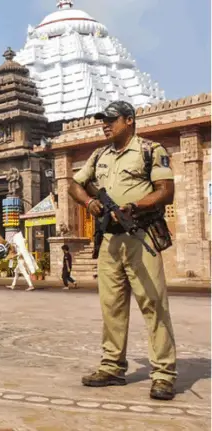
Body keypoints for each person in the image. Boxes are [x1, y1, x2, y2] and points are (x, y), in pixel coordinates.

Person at [68, 101, 177, 400]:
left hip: (140, 235)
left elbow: (166, 191)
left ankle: (164, 374)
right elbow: (74, 185)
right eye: (103, 120)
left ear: (129, 121)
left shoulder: (150, 150)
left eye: (111, 120)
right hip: (110, 242)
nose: (105, 124)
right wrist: (89, 203)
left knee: (153, 304)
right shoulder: (99, 155)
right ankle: (112, 367)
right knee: (112, 308)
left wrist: (134, 205)